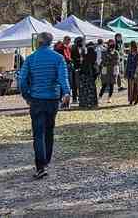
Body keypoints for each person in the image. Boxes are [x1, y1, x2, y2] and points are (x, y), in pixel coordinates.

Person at [17, 32, 71, 179]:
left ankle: (40, 166)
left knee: (38, 134)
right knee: (49, 131)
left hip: (36, 99)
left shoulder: (30, 59)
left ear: (38, 43)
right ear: (50, 43)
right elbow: (63, 77)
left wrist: (27, 96)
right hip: (52, 99)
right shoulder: (58, 58)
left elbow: (21, 81)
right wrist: (66, 92)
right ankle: (46, 162)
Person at [77, 43, 99, 108]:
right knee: (90, 90)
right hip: (90, 75)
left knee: (85, 90)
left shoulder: (85, 57)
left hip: (85, 74)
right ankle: (91, 102)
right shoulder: (93, 56)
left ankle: (85, 102)